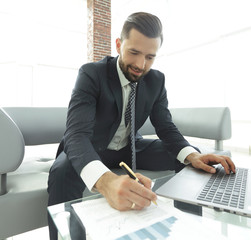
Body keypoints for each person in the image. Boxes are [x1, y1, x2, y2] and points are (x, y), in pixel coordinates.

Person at [47, 12, 235, 239]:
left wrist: (192, 155)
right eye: (134, 52)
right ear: (118, 45)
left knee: (189, 161)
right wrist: (106, 182)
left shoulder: (156, 81)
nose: (140, 64)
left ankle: (189, 229)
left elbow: (165, 127)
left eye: (150, 57)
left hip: (129, 148)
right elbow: (76, 134)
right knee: (61, 171)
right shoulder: (91, 74)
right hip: (92, 148)